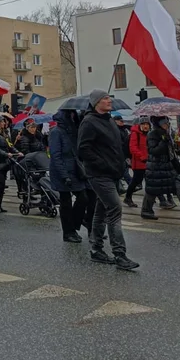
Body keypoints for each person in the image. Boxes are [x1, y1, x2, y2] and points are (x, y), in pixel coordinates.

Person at [77, 90, 139, 270]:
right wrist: (103, 164)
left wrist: (122, 163)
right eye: (105, 98)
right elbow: (83, 150)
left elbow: (116, 147)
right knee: (114, 208)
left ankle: (96, 249)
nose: (109, 100)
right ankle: (120, 254)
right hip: (99, 174)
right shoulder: (89, 122)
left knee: (101, 211)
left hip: (113, 173)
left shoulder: (109, 120)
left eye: (109, 97)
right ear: (96, 102)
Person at [141, 116, 180, 222]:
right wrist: (163, 142)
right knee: (152, 189)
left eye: (167, 123)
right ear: (159, 124)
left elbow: (169, 151)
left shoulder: (167, 134)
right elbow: (153, 151)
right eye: (164, 123)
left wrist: (176, 152)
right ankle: (146, 210)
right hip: (156, 167)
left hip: (169, 167)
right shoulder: (153, 134)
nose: (167, 125)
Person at [50, 109, 88, 243]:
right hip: (62, 172)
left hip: (75, 170)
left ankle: (75, 223)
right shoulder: (56, 132)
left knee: (83, 197)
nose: (73, 117)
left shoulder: (72, 131)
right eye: (71, 115)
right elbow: (56, 155)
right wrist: (64, 175)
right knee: (65, 202)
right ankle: (68, 232)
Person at [124, 119, 151, 208]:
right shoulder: (135, 134)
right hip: (139, 163)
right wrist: (142, 156)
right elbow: (133, 148)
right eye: (143, 124)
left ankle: (151, 198)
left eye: (147, 124)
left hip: (147, 161)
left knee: (150, 180)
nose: (146, 126)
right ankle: (128, 197)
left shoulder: (148, 134)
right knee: (136, 181)